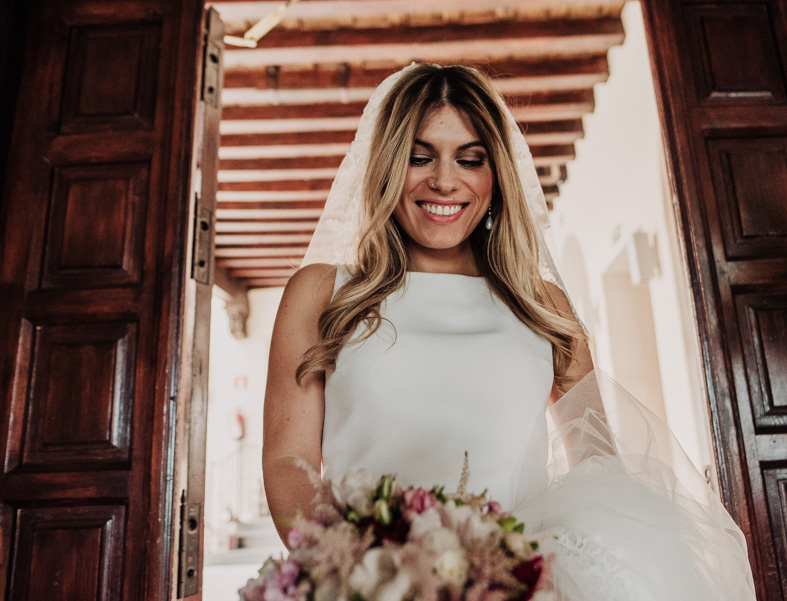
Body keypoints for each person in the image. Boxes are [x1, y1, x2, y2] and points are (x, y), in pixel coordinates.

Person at [262, 63, 756, 600]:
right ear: (385, 166)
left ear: (496, 175)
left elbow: (597, 466)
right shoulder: (319, 294)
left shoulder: (541, 305)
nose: (445, 181)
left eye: (470, 159)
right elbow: (290, 467)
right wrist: (359, 575)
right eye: (419, 157)